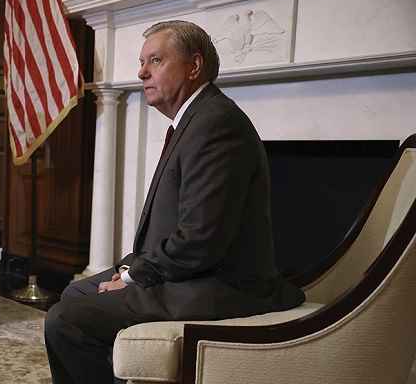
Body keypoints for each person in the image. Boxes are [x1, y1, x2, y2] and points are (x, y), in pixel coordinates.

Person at [44, 20, 305, 383]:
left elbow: (201, 239)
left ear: (194, 66)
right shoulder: (196, 120)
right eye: (141, 62)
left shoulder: (217, 124)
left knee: (66, 319)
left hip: (222, 285)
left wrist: (136, 276)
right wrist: (130, 270)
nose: (140, 72)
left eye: (155, 60)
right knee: (75, 292)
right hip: (189, 272)